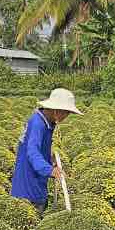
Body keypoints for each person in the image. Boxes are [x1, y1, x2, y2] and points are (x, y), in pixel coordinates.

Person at [11, 88, 81, 216]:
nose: (67, 117)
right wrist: (50, 170)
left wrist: (49, 161)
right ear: (57, 111)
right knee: (30, 221)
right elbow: (32, 152)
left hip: (34, 182)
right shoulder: (38, 124)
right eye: (66, 113)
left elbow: (38, 149)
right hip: (28, 189)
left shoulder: (46, 122)